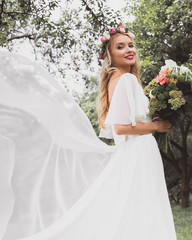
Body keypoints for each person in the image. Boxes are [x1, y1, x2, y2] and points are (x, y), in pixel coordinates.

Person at [0, 25, 177, 239]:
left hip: (136, 151)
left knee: (135, 205)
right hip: (138, 150)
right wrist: (155, 126)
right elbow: (120, 128)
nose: (129, 49)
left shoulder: (117, 79)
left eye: (131, 45)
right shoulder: (125, 79)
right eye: (120, 47)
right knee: (144, 204)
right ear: (109, 55)